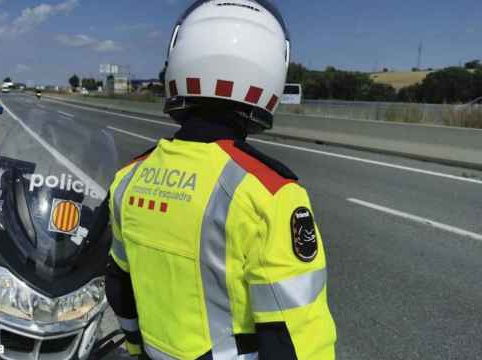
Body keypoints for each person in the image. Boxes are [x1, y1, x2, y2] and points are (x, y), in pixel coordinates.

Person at [105, 1, 336, 359]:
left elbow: (120, 285)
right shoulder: (270, 191)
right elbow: (294, 331)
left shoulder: (128, 178)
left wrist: (136, 349)